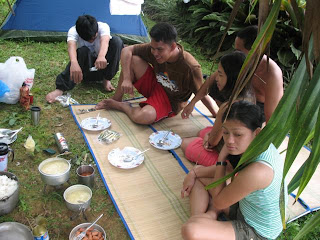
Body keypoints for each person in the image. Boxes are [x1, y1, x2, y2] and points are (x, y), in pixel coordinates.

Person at [181, 101, 287, 240]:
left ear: (256, 132)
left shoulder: (258, 171)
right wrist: (194, 173)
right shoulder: (258, 145)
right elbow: (227, 171)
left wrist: (221, 158)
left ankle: (204, 223)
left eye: (238, 134)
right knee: (200, 180)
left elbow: (219, 200)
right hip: (246, 206)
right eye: (225, 132)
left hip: (258, 231)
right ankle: (205, 218)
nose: (229, 140)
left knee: (191, 231)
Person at [95, 22, 216, 124]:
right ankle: (117, 99)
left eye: (159, 49)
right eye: (153, 48)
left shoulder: (190, 67)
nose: (155, 53)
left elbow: (202, 92)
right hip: (156, 85)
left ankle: (123, 107)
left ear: (173, 46)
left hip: (171, 101)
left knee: (143, 117)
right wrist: (127, 78)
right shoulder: (155, 48)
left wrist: (215, 114)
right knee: (133, 59)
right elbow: (127, 50)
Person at [181, 51, 254, 166]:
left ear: (231, 78)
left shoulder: (227, 107)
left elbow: (212, 142)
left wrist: (208, 138)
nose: (216, 79)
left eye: (220, 74)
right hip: (239, 152)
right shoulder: (250, 94)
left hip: (229, 162)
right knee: (201, 132)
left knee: (185, 143)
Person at [46, 15, 124, 103]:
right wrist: (74, 63)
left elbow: (105, 41)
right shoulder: (73, 31)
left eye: (94, 38)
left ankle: (106, 79)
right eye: (88, 40)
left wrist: (101, 56)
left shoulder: (103, 26)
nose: (91, 41)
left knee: (117, 42)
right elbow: (71, 46)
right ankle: (60, 89)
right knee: (82, 51)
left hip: (104, 67)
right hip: (85, 72)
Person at [235, 25, 283, 122]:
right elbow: (214, 78)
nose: (236, 54)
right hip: (245, 99)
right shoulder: (241, 59)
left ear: (255, 50)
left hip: (260, 109)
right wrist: (194, 101)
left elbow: (271, 115)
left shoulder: (272, 74)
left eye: (239, 51)